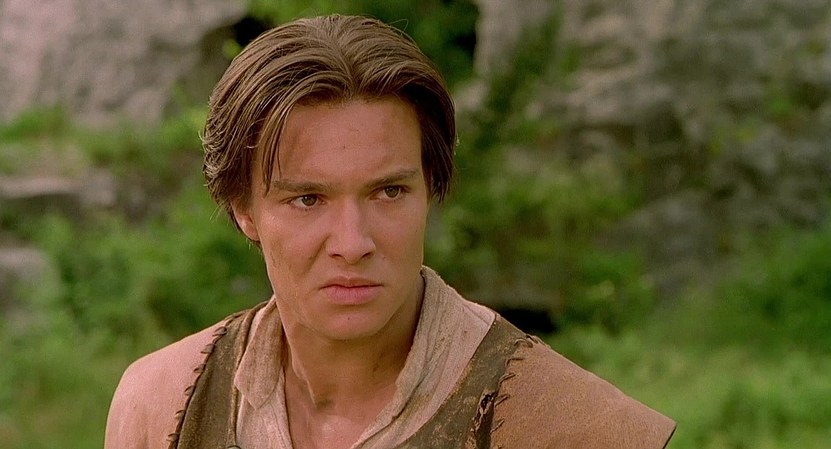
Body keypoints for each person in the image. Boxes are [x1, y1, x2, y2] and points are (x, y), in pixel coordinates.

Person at [104, 14, 676, 449]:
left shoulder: (570, 427)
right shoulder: (163, 407)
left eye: (388, 192)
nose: (353, 243)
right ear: (244, 210)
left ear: (430, 189)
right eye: (308, 199)